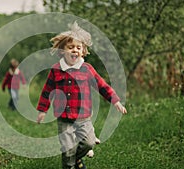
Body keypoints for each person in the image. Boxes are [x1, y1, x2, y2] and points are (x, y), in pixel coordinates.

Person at [36, 22, 127, 169]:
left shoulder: (87, 69)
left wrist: (115, 101)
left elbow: (102, 86)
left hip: (84, 117)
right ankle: (70, 166)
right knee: (68, 148)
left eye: (78, 48)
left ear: (83, 51)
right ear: (62, 51)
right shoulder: (56, 70)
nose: (75, 51)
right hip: (64, 117)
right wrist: (42, 110)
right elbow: (47, 90)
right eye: (70, 47)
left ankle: (76, 160)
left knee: (88, 143)